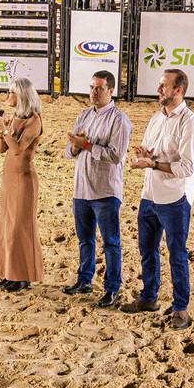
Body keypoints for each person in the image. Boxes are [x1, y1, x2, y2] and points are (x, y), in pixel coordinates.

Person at [122, 69, 194, 332]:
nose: (158, 90)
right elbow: (150, 151)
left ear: (178, 90)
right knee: (147, 250)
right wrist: (144, 154)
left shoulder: (190, 123)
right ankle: (149, 298)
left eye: (163, 86)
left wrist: (153, 163)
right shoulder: (157, 118)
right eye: (159, 85)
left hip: (175, 197)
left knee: (177, 254)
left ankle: (181, 309)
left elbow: (187, 167)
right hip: (150, 194)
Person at [62, 71, 133, 309]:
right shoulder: (83, 115)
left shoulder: (119, 119)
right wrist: (75, 147)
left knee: (110, 242)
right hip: (81, 189)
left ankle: (112, 288)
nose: (94, 92)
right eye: (92, 87)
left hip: (105, 191)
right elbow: (69, 152)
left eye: (99, 88)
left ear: (111, 91)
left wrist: (86, 145)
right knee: (85, 240)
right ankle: (84, 280)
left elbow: (116, 155)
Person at [0, 77, 44, 293]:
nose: (8, 96)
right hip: (9, 176)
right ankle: (9, 273)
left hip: (23, 178)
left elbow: (18, 149)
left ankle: (23, 276)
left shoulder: (34, 120)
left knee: (20, 228)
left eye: (11, 92)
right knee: (7, 225)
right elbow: (3, 149)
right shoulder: (14, 117)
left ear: (22, 95)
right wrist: (2, 130)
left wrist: (4, 129)